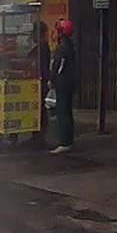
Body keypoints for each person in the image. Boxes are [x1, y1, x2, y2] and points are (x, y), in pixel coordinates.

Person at [50, 18, 77, 153]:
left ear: (61, 33)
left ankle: (65, 142)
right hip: (68, 83)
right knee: (66, 112)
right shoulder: (70, 46)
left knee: (62, 112)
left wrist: (52, 79)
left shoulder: (62, 48)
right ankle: (67, 141)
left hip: (63, 84)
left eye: (57, 31)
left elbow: (58, 68)